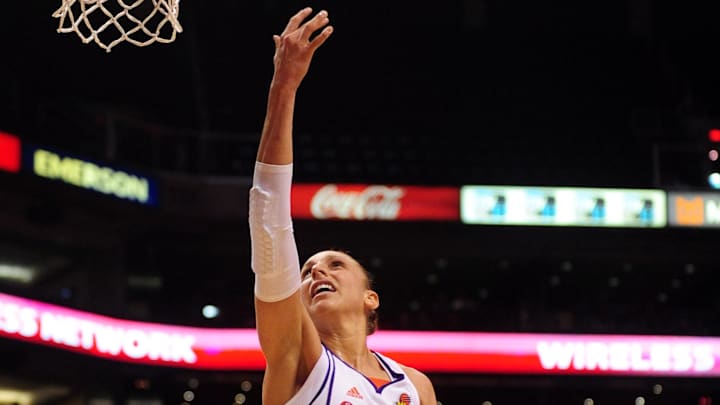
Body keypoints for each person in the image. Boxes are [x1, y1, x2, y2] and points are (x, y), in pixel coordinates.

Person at [248, 7, 438, 405]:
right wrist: (284, 86)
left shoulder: (415, 386)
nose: (316, 269)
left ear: (371, 298)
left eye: (336, 264)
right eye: (306, 270)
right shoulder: (298, 361)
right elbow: (269, 218)